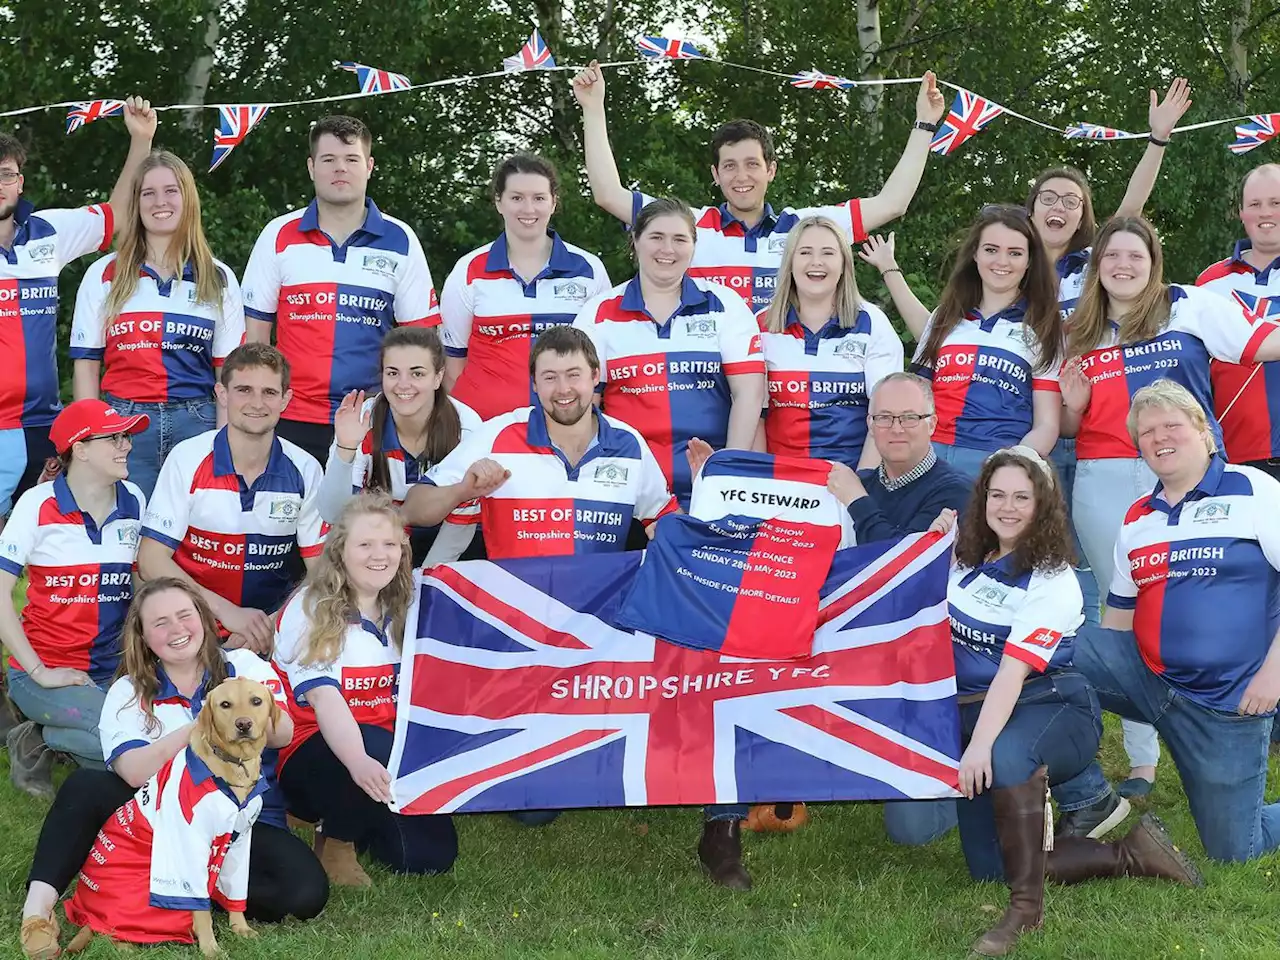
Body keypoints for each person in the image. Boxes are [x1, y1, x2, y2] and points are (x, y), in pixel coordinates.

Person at [937, 445, 1200, 958]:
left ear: (1043, 506)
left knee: (1006, 756)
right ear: (982, 499)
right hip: (978, 707)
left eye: (1022, 497)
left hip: (1050, 704)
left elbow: (1012, 676)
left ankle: (1024, 911)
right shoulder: (967, 549)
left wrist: (976, 747)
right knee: (989, 865)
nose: (1007, 507)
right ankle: (1131, 853)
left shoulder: (1052, 579)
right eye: (997, 495)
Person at [1056, 216, 1280, 816]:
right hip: (1106, 478)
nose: (1123, 266)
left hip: (1193, 471)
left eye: (1136, 255)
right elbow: (1072, 424)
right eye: (1111, 257)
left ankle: (1246, 714)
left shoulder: (1193, 305)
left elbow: (1263, 344)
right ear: (1096, 265)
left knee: (1225, 598)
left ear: (1155, 262)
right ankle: (1144, 758)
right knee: (1120, 610)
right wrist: (1073, 408)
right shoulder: (1078, 327)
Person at [17, 577, 327, 960]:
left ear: (205, 619)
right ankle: (37, 911)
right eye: (160, 623)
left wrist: (242, 704)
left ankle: (176, 892)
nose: (177, 629)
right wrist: (200, 727)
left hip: (237, 820)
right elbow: (132, 772)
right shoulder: (128, 691)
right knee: (86, 786)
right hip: (159, 819)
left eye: (185, 615)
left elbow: (283, 733)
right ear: (144, 637)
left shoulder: (242, 666)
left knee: (305, 893)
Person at [1063, 379, 1280, 865]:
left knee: (1233, 852)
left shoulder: (1254, 489)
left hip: (1228, 703)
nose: (1160, 438)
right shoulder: (1139, 516)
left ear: (1204, 432)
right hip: (1150, 681)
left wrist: (1274, 675)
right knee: (1043, 657)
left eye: (1172, 426)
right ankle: (1086, 795)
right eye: (1146, 432)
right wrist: (1089, 684)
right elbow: (1118, 614)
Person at [571, 61, 946, 313]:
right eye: (730, 167)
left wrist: (924, 124)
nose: (741, 176)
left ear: (771, 171)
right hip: (710, 387)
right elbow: (608, 194)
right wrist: (592, 108)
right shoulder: (688, 226)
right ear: (715, 175)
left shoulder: (805, 227)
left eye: (752, 164)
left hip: (786, 388)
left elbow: (893, 203)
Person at [274, 492, 458, 886]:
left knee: (426, 858)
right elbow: (324, 701)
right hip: (314, 748)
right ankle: (334, 837)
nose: (380, 555)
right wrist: (358, 760)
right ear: (340, 551)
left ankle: (361, 814)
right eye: (365, 544)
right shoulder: (310, 608)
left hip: (387, 754)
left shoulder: (409, 602)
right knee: (372, 742)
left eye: (390, 544)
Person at [241, 115, 441, 465]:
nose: (340, 169)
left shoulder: (401, 239)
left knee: (367, 519)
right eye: (328, 160)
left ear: (369, 167)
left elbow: (422, 342)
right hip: (290, 416)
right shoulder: (278, 235)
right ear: (310, 167)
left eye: (351, 160)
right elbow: (255, 339)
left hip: (372, 417)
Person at [824, 372, 968, 844]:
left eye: (910, 417)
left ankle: (982, 787)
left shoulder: (958, 492)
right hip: (857, 651)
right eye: (884, 417)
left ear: (933, 421)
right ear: (869, 423)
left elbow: (904, 574)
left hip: (926, 666)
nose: (896, 428)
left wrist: (858, 503)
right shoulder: (858, 484)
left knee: (912, 832)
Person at [0, 97, 156, 523]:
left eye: (6, 174)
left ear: (20, 181)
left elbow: (118, 216)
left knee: (44, 551)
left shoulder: (48, 232)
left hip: (41, 425)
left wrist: (140, 141)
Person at [404, 325, 678, 559]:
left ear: (595, 376)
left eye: (574, 375)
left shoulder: (628, 443)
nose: (563, 389)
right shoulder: (498, 435)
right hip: (515, 615)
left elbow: (666, 521)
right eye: (550, 377)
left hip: (597, 616)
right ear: (534, 383)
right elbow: (414, 509)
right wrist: (462, 491)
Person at [571, 198, 767, 508]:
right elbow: (582, 407)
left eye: (679, 239)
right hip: (627, 487)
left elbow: (750, 395)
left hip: (709, 485)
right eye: (656, 237)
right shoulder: (598, 313)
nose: (668, 249)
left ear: (693, 245)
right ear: (635, 240)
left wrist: (726, 474)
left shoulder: (725, 304)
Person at [70, 150, 245, 498]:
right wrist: (92, 438)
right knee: (125, 534)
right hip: (122, 425)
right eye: (148, 193)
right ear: (136, 203)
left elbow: (229, 376)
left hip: (198, 420)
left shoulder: (219, 276)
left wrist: (225, 446)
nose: (159, 202)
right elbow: (86, 367)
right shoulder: (104, 273)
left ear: (188, 199)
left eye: (170, 191)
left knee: (191, 538)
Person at [0, 400, 149, 798]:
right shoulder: (37, 505)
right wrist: (39, 672)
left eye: (127, 436)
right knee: (126, 747)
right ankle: (40, 736)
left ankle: (45, 735)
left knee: (143, 737)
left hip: (114, 670)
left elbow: (140, 588)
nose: (127, 446)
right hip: (42, 673)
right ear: (79, 449)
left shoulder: (134, 498)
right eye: (114, 437)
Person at [137, 343, 324, 653]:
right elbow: (150, 560)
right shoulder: (188, 457)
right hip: (193, 622)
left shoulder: (305, 469)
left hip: (271, 627)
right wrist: (229, 614)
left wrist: (271, 625)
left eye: (269, 392)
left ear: (286, 400)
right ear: (221, 394)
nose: (257, 403)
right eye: (244, 390)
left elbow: (321, 572)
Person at [861, 205, 1064, 476]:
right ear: (975, 255)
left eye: (1015, 253)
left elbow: (1047, 425)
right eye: (991, 250)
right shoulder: (944, 318)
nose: (1001, 261)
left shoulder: (1044, 327)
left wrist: (1010, 467)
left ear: (1029, 261)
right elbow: (911, 399)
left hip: (993, 466)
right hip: (928, 460)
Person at [440, 154, 612, 420]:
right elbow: (452, 365)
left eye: (539, 198)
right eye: (517, 197)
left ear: (554, 202)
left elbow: (600, 360)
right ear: (499, 202)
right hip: (484, 431)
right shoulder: (469, 270)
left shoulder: (589, 270)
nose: (528, 209)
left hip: (563, 432)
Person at [321, 326, 483, 566]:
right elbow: (333, 514)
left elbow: (460, 524)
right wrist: (345, 449)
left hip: (443, 543)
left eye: (417, 374)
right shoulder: (363, 419)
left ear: (438, 377)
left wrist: (426, 581)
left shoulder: (467, 428)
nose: (403, 385)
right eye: (393, 373)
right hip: (371, 541)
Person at [757, 215, 903, 470]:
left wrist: (860, 489)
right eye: (805, 252)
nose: (816, 262)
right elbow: (753, 416)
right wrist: (760, 478)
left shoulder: (872, 324)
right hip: (779, 485)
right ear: (789, 262)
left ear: (844, 264)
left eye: (828, 253)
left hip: (849, 481)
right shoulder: (761, 326)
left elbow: (886, 419)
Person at [1196, 163, 1280, 479]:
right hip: (1234, 455)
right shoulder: (1209, 283)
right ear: (1241, 212)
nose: (1265, 213)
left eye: (1276, 203)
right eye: (1255, 204)